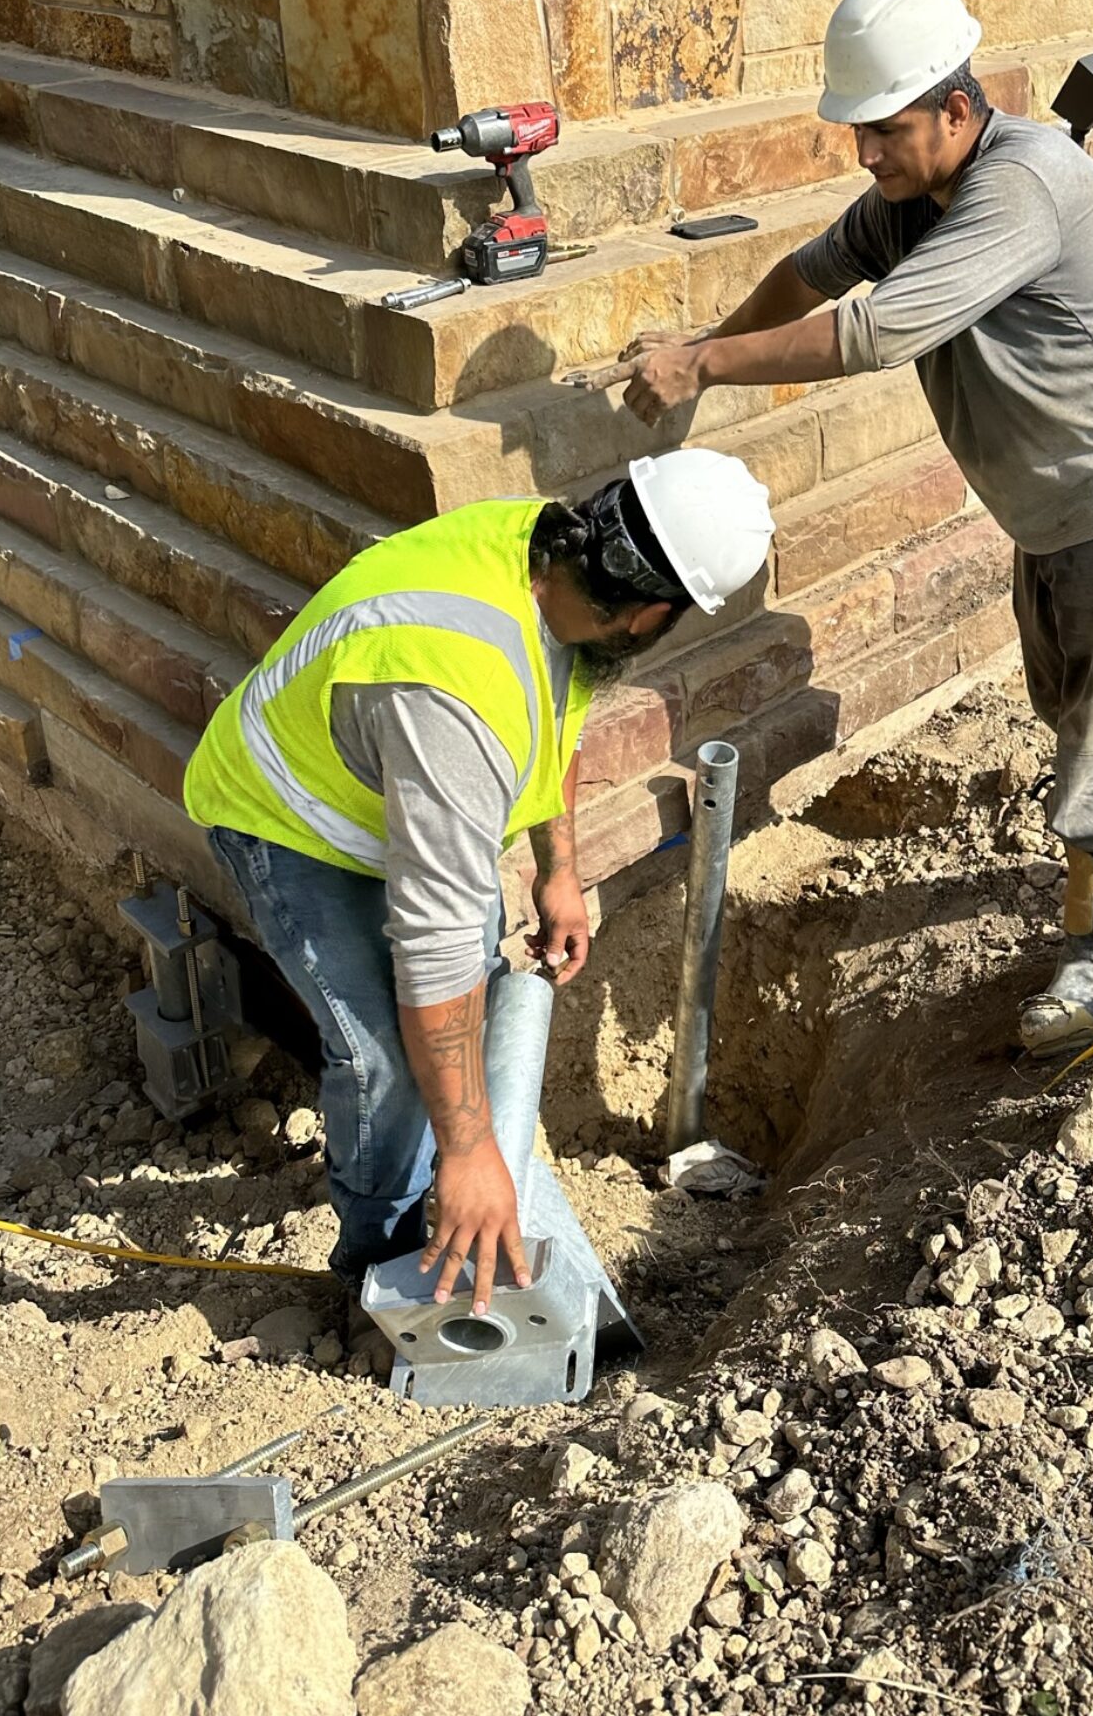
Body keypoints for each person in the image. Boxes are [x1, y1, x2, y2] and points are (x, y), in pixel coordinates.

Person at [623, 0, 1093, 1058]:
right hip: (1059, 507)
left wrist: (705, 360)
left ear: (957, 108)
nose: (867, 156)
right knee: (1092, 696)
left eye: (886, 131)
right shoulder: (917, 197)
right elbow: (809, 275)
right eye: (858, 133)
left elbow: (871, 334)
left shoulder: (1019, 188)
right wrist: (703, 362)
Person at [182, 459, 774, 1315]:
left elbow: (557, 718)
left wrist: (560, 869)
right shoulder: (458, 690)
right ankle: (379, 1272)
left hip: (391, 781)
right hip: (289, 815)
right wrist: (468, 1152)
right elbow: (434, 948)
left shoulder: (547, 552)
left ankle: (444, 1180)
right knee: (386, 1055)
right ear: (652, 617)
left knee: (458, 1017)